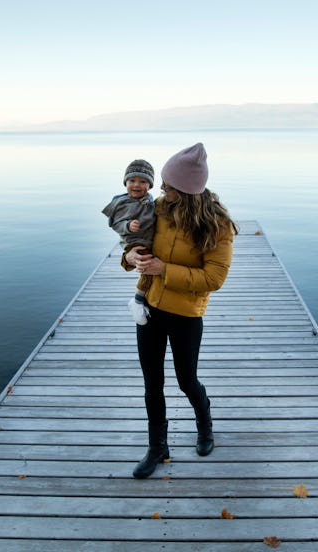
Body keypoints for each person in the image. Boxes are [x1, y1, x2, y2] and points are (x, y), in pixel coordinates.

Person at [123, 143, 239, 479]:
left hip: (186, 314)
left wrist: (164, 270)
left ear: (186, 190)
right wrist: (130, 259)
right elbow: (133, 246)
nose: (161, 190)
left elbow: (214, 277)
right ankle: (158, 446)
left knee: (186, 380)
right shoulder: (156, 209)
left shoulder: (217, 225)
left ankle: (205, 425)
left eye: (168, 186)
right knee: (152, 382)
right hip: (149, 310)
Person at [102, 159, 156, 325]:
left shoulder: (149, 200)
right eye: (132, 180)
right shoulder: (122, 202)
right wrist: (127, 225)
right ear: (126, 182)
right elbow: (114, 224)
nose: (136, 185)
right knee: (147, 268)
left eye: (142, 181)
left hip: (148, 238)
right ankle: (137, 301)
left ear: (150, 185)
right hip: (134, 241)